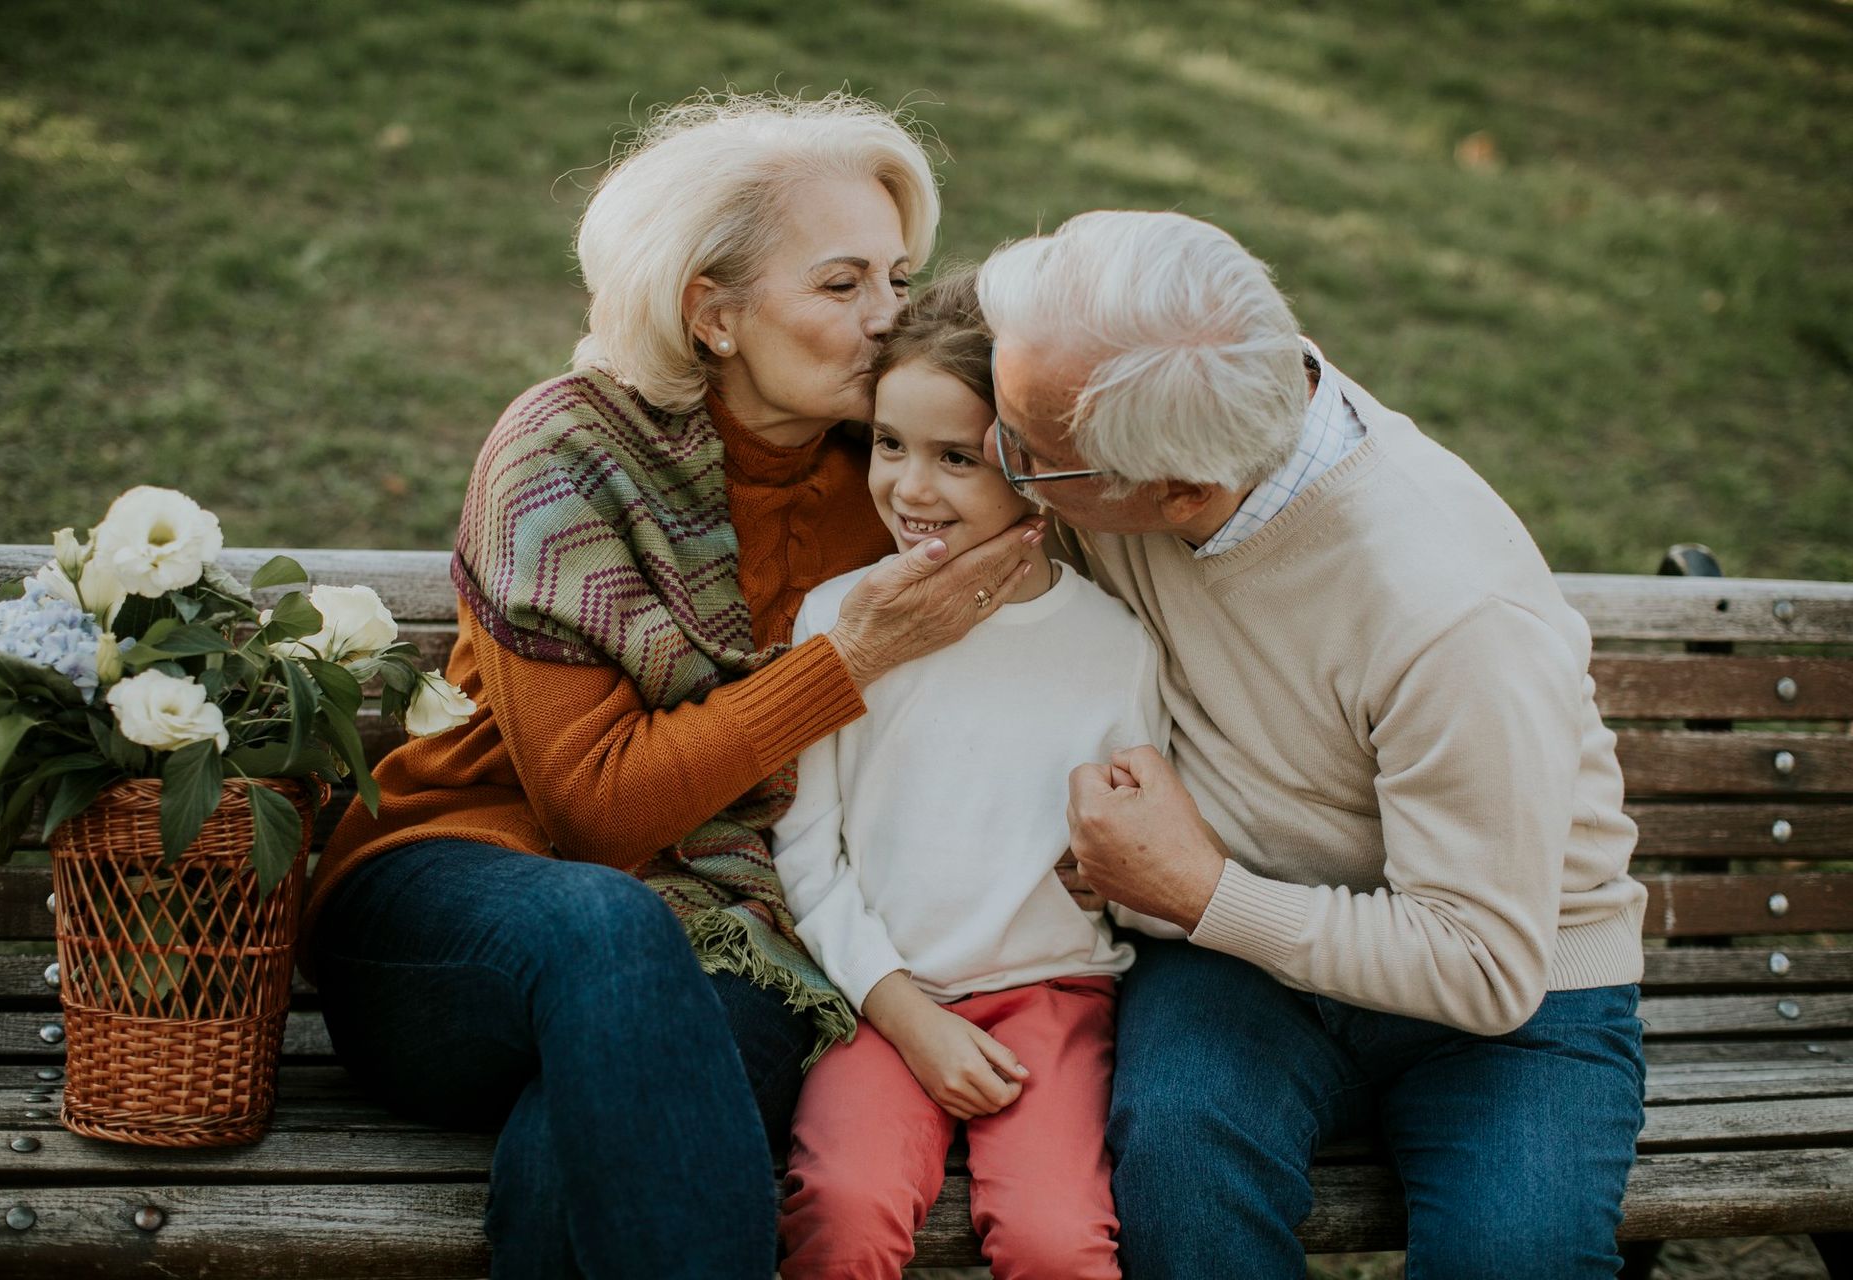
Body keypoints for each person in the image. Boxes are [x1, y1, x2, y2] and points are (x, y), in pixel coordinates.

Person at [298, 93, 1046, 1280]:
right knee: (614, 925)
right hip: (457, 908)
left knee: (588, 1140)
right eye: (842, 285)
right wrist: (849, 659)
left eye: (898, 281)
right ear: (713, 311)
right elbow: (595, 814)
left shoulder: (898, 472)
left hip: (735, 926)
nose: (887, 320)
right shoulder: (563, 456)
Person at [974, 210, 1649, 1279]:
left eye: (1029, 458)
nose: (994, 463)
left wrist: (1199, 891)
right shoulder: (1151, 431)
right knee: (1181, 1176)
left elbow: (1486, 965)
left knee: (1513, 1261)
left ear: (1182, 490)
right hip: (1244, 964)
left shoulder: (1449, 612)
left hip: (1507, 988)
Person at [771, 273, 1180, 1280]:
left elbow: (1139, 848)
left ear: (1036, 467)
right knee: (844, 1207)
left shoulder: (1112, 645)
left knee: (1056, 1239)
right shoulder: (837, 622)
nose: (910, 487)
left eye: (955, 457)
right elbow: (804, 852)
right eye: (890, 443)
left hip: (1049, 996)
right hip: (875, 990)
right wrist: (902, 1010)